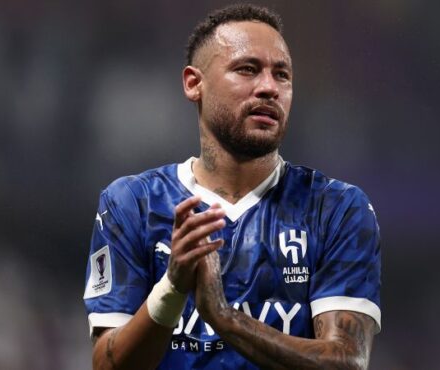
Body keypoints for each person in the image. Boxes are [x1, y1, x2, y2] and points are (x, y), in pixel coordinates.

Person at [83, 4, 381, 369]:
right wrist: (172, 288)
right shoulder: (131, 204)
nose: (269, 88)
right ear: (195, 84)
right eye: (248, 69)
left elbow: (347, 362)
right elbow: (106, 365)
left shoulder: (336, 209)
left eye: (282, 75)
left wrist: (223, 317)